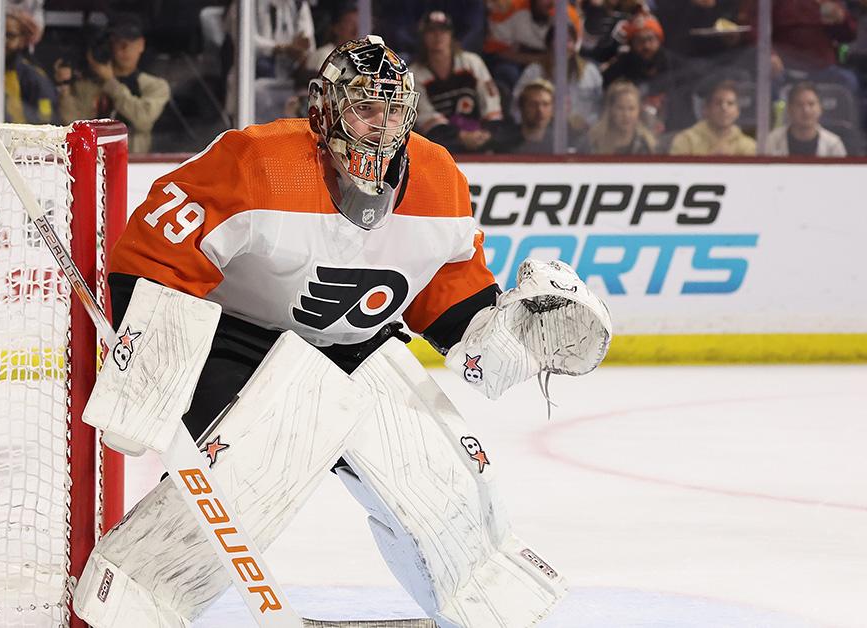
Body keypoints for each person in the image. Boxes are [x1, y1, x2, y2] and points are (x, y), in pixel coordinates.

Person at [71, 36, 611, 628]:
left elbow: (449, 293)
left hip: (357, 347)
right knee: (261, 465)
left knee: (442, 483)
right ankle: (129, 601)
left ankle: (483, 604)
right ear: (326, 109)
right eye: (364, 107)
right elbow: (151, 255)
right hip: (241, 344)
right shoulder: (258, 161)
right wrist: (148, 360)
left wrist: (506, 334)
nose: (382, 127)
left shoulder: (438, 180)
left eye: (395, 109)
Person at [55, 15, 169, 153]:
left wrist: (111, 83)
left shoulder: (155, 86)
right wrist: (65, 87)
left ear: (141, 45)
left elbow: (143, 120)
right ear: (110, 45)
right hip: (93, 161)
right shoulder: (89, 84)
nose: (125, 48)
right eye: (119, 42)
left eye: (130, 42)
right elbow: (72, 126)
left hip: (136, 164)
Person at [411, 10, 503, 154]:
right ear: (423, 36)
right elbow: (425, 118)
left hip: (480, 135)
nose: (438, 36)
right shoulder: (414, 74)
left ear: (451, 35)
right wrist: (460, 136)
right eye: (431, 31)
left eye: (443, 31)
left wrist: (487, 132)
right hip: (441, 141)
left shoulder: (472, 63)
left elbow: (491, 103)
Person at [601, 11, 694, 131]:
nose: (646, 45)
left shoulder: (676, 64)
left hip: (673, 130)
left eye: (651, 39)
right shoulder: (621, 66)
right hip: (632, 132)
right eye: (639, 41)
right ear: (632, 44)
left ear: (659, 40)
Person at [511, 22, 604, 133]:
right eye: (558, 39)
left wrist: (587, 123)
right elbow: (516, 106)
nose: (563, 45)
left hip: (583, 135)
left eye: (568, 40)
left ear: (575, 44)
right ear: (549, 43)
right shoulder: (534, 72)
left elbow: (600, 108)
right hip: (542, 135)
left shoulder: (590, 72)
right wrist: (531, 128)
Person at [483, 0, 582, 86]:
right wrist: (538, 58)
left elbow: (570, 56)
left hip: (552, 65)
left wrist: (544, 60)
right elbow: (497, 52)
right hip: (517, 62)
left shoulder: (569, 16)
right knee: (506, 71)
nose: (552, 3)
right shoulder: (510, 9)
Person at [669, 79, 756, 155]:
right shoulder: (686, 141)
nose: (724, 108)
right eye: (718, 103)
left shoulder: (748, 146)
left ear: (738, 111)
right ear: (706, 109)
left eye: (730, 103)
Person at [766, 82, 848, 156]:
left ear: (820, 108)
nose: (806, 110)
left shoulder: (833, 144)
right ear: (789, 109)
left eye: (811, 104)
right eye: (799, 104)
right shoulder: (773, 140)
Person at [3, 11, 55, 124]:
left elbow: (46, 119)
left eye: (10, 36)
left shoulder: (34, 77)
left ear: (22, 40)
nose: (3, 41)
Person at [586, 80, 659, 153]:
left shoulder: (647, 145)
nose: (626, 115)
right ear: (611, 109)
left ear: (638, 111)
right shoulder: (593, 142)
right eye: (620, 108)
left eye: (631, 108)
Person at [495, 78, 558, 152]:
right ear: (521, 107)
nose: (540, 110)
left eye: (546, 104)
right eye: (533, 104)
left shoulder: (558, 144)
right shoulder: (503, 142)